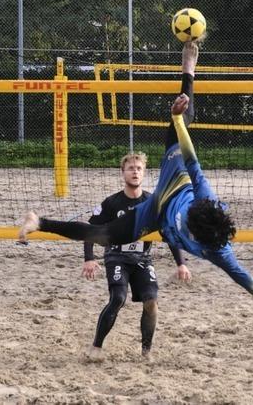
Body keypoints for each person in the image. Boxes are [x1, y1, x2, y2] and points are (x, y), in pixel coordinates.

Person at [19, 41, 253, 317]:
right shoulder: (204, 197)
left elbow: (245, 279)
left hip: (157, 217)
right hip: (172, 184)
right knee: (180, 125)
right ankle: (188, 70)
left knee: (104, 236)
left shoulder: (219, 252)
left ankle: (40, 222)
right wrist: (177, 120)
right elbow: (191, 156)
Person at [82, 151, 191, 361]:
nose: (135, 172)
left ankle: (146, 352)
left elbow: (169, 233)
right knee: (118, 299)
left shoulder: (153, 202)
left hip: (142, 259)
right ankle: (96, 347)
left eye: (139, 168)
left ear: (144, 173)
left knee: (151, 302)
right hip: (117, 256)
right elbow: (90, 229)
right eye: (131, 168)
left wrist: (181, 263)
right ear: (122, 172)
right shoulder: (112, 203)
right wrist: (89, 258)